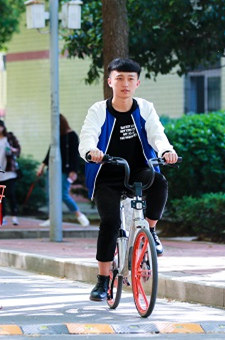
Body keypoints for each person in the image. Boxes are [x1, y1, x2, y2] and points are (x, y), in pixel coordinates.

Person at [79, 58, 178, 302]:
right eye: (120, 78)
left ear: (137, 83)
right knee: (110, 222)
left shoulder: (145, 107)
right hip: (107, 174)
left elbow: (157, 134)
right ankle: (103, 280)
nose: (125, 83)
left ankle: (151, 231)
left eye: (130, 79)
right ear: (110, 81)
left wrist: (166, 150)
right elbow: (87, 136)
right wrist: (91, 151)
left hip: (138, 171)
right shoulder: (98, 110)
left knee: (159, 182)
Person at [36, 114, 89, 227]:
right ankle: (52, 218)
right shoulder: (56, 136)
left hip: (66, 170)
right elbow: (50, 152)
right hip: (52, 170)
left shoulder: (72, 135)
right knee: (51, 194)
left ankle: (79, 215)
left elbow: (75, 155)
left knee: (63, 194)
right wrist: (41, 167)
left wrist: (73, 171)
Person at [0, 118, 22, 226]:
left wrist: (13, 150)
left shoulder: (9, 138)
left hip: (9, 172)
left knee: (11, 194)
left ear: (3, 127)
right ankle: (2, 217)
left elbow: (18, 149)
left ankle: (14, 217)